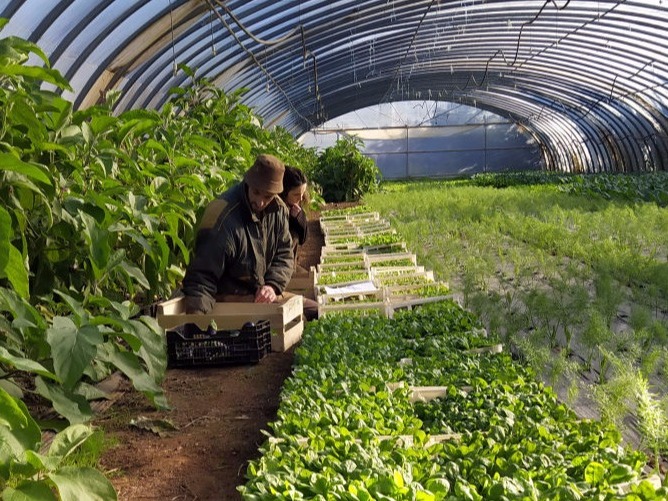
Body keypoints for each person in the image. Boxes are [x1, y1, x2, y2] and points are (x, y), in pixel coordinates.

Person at [181, 154, 294, 315]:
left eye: (268, 196)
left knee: (309, 311)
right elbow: (201, 277)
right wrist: (198, 324)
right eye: (256, 192)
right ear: (248, 183)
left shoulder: (278, 210)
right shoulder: (223, 218)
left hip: (258, 296)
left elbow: (284, 254)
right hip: (226, 299)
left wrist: (272, 286)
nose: (260, 202)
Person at [279, 166, 309, 275]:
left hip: (290, 266)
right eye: (296, 194)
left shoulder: (294, 206)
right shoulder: (276, 210)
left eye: (302, 193)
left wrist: (299, 218)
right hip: (279, 269)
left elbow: (303, 238)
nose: (301, 198)